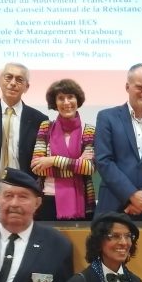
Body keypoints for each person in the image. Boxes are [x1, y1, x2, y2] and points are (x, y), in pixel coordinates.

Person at [93, 63, 142, 221]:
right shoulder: (107, 118)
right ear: (127, 87)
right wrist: (131, 194)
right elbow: (103, 161)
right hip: (114, 205)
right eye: (140, 87)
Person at [0, 62, 48, 216]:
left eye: (19, 79)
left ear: (27, 87)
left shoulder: (39, 119)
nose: (13, 83)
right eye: (8, 77)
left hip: (23, 189)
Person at [29, 78, 96, 221]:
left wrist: (53, 160)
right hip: (47, 199)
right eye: (61, 98)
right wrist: (76, 164)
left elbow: (89, 168)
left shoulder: (89, 130)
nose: (66, 102)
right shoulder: (45, 127)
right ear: (55, 103)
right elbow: (37, 167)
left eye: (70, 97)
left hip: (81, 201)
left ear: (78, 100)